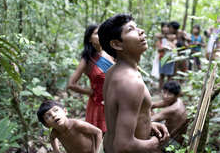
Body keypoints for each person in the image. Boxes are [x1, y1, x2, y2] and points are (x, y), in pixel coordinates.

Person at [98, 14, 169, 153]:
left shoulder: (114, 70)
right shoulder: (130, 82)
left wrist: (148, 124)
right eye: (131, 29)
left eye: (137, 27)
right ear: (117, 44)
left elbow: (119, 116)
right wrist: (154, 143)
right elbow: (123, 146)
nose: (141, 31)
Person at [67, 24, 114, 133]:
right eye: (97, 33)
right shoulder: (88, 59)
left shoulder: (111, 52)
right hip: (98, 104)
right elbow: (71, 84)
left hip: (115, 100)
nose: (101, 35)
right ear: (89, 39)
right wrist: (90, 92)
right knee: (100, 137)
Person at [37, 100, 102, 153]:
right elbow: (52, 138)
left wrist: (96, 151)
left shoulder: (77, 125)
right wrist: (56, 150)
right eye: (48, 116)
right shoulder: (55, 133)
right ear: (46, 125)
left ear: (65, 111)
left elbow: (98, 132)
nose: (54, 115)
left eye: (56, 110)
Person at [151, 81, 187, 145]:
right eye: (164, 92)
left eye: (169, 94)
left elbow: (150, 120)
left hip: (173, 142)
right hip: (171, 135)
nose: (165, 96)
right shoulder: (176, 100)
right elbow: (153, 105)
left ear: (177, 95)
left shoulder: (173, 109)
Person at [155, 22, 176, 89]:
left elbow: (174, 48)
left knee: (169, 76)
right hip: (162, 58)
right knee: (162, 75)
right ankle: (160, 90)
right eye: (164, 27)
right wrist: (164, 48)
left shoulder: (172, 37)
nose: (165, 28)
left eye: (167, 27)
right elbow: (158, 49)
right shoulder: (160, 38)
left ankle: (168, 90)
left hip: (170, 58)